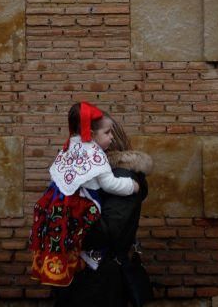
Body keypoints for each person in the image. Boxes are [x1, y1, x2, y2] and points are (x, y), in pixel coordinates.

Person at [30, 102, 140, 287]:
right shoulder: (95, 154)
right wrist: (132, 186)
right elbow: (111, 185)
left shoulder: (72, 145)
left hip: (59, 202)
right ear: (91, 132)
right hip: (81, 204)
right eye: (107, 132)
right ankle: (84, 260)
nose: (111, 137)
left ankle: (66, 266)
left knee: (64, 235)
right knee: (84, 233)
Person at [53, 116, 153, 307]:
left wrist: (69, 224)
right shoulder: (92, 174)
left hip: (101, 279)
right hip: (86, 274)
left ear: (111, 139)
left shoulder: (120, 176)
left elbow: (109, 231)